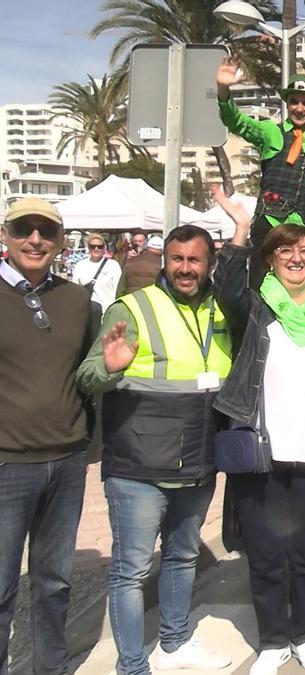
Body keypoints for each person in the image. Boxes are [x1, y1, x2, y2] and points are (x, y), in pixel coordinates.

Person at [78, 225, 238, 675]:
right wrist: (110, 369)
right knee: (130, 571)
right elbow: (86, 376)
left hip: (197, 462)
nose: (185, 268)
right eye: (177, 259)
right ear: (165, 261)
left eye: (195, 260)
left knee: (182, 558)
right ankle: (132, 666)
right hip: (138, 468)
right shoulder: (132, 308)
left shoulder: (222, 311)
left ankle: (174, 643)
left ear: (209, 264)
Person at [208, 188, 305, 675]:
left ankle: (302, 632)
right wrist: (240, 233)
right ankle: (273, 640)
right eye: (285, 250)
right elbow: (226, 287)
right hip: (263, 452)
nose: (296, 258)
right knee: (268, 553)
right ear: (270, 260)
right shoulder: (255, 308)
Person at [0, 198, 97, 675]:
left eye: (46, 231)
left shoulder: (77, 300)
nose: (35, 239)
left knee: (55, 582)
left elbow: (88, 373)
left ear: (60, 241)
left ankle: (50, 668)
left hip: (66, 462)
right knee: (1, 586)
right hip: (7, 464)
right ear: (5, 235)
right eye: (24, 229)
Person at [216, 56, 305, 286]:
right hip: (271, 224)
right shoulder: (271, 132)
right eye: (294, 102)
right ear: (287, 104)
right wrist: (223, 90)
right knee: (260, 290)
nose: (299, 108)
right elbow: (237, 122)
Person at [72, 232, 122, 310]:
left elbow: (118, 289)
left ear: (104, 248)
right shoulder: (80, 265)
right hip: (87, 310)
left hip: (106, 309)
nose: (96, 249)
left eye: (100, 247)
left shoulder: (113, 265)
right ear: (88, 248)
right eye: (93, 246)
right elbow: (75, 290)